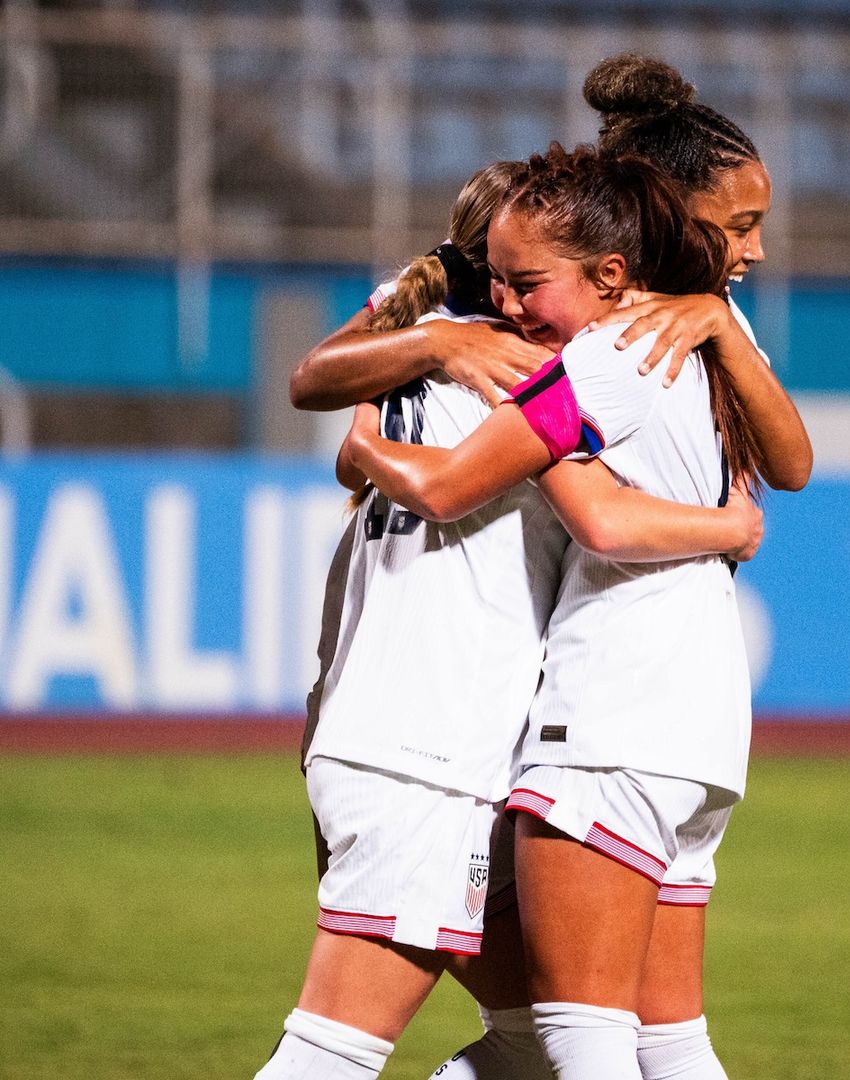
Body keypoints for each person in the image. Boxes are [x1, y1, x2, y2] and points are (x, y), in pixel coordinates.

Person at [254, 158, 765, 1080]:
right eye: (510, 276)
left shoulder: (416, 345)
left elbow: (326, 404)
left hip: (409, 741)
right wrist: (728, 524)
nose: (516, 295)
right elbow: (599, 515)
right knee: (330, 1056)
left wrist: (386, 413)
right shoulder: (531, 370)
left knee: (535, 1040)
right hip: (427, 749)